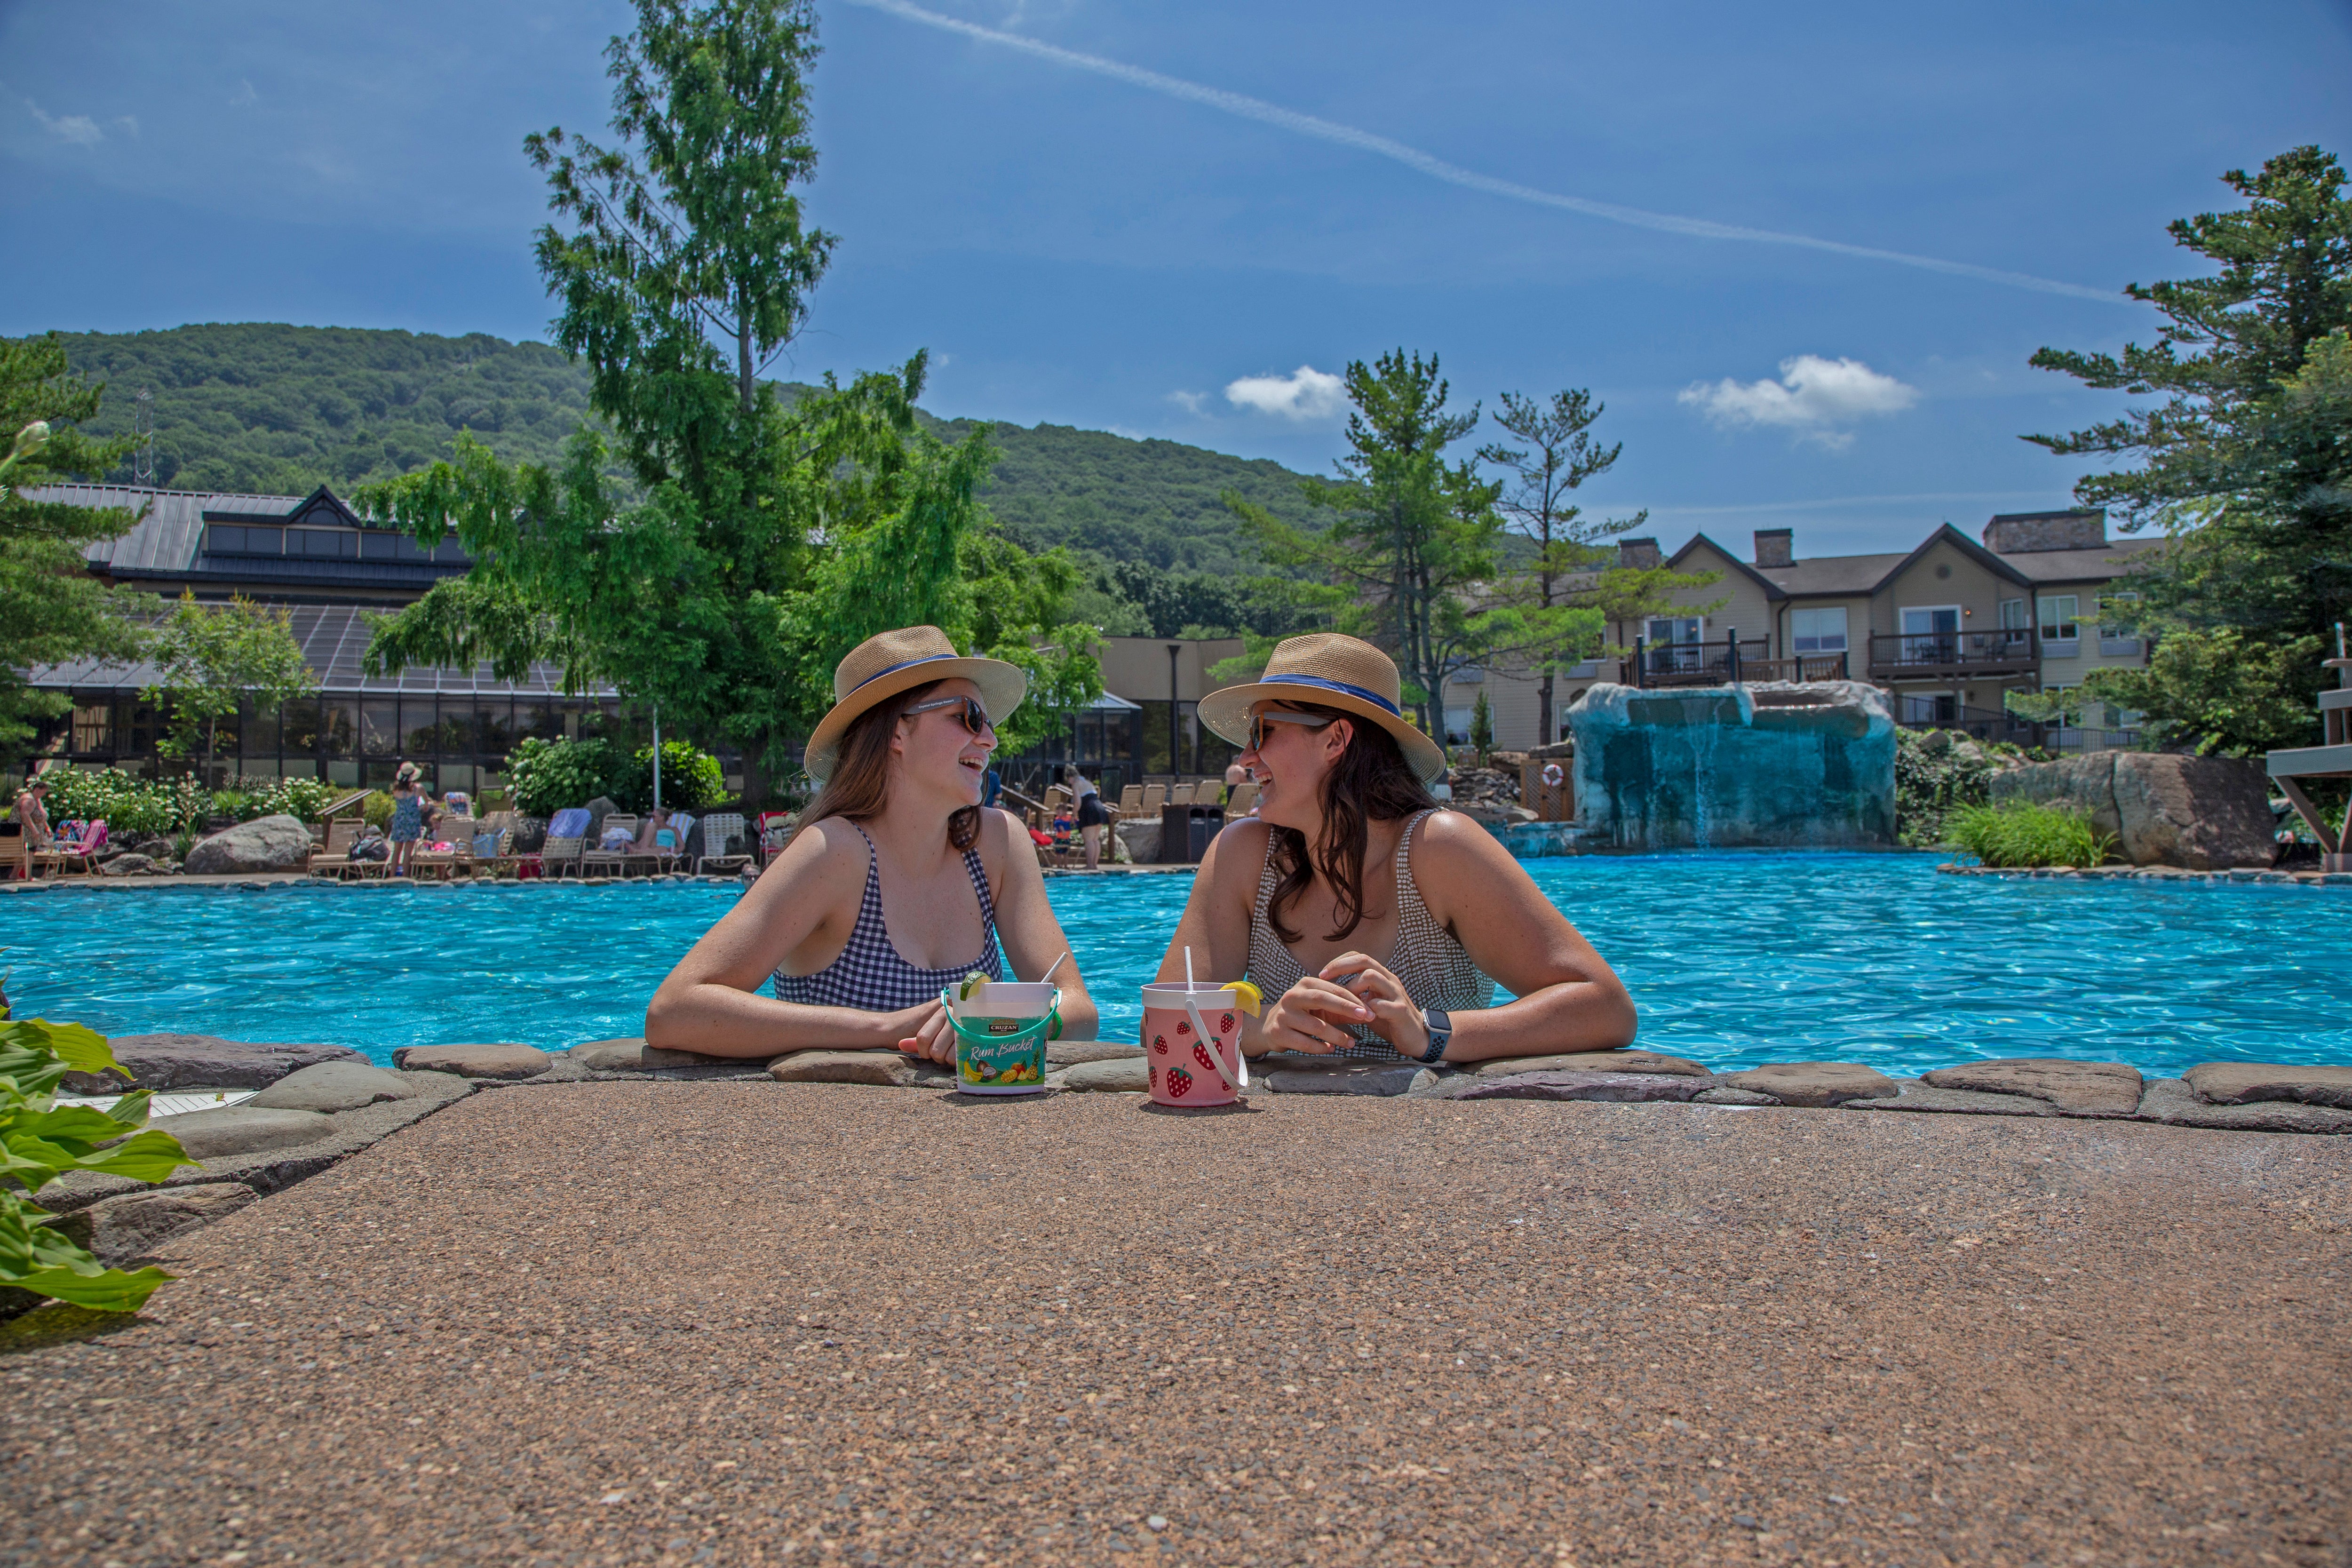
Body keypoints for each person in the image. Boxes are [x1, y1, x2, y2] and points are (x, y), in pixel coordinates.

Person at [1153, 633, 1635, 1065]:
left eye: (1262, 732)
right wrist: (1261, 1030)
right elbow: (1158, 1026)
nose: (1244, 758)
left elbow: (1605, 1008)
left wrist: (1429, 1032)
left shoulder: (1438, 849)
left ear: (1336, 739)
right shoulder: (1244, 856)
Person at [647, 625, 1099, 1059]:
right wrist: (884, 1030)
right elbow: (674, 1010)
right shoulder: (834, 853)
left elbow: (1079, 1010)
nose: (990, 737)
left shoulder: (997, 843)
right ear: (897, 732)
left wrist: (1014, 1019)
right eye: (969, 716)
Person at [1063, 764, 1108, 870]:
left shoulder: (1076, 784)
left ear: (1070, 778)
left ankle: (1090, 865)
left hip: (1089, 810)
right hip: (1099, 808)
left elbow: (1078, 803)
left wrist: (1073, 816)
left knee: (1088, 840)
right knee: (1095, 840)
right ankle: (1094, 865)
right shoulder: (1088, 783)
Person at [387, 764, 426, 876]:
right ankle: (405, 876)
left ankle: (392, 876)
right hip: (412, 822)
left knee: (397, 851)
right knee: (408, 852)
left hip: (399, 820)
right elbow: (426, 803)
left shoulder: (396, 789)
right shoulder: (418, 788)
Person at [12, 774, 53, 851]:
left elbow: (41, 816)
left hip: (34, 837)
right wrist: (34, 830)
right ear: (37, 790)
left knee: (32, 852)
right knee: (28, 853)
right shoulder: (29, 799)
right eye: (43, 792)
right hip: (26, 834)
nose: (44, 795)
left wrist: (47, 828)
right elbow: (25, 814)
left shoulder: (38, 800)